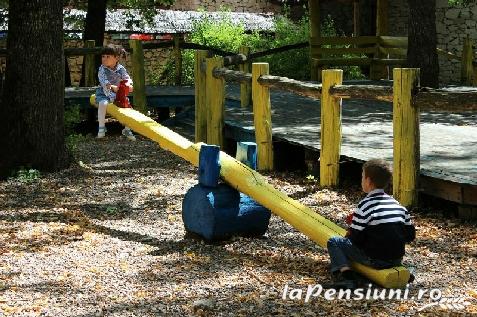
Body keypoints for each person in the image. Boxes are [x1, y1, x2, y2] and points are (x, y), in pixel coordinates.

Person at [326, 159, 416, 288]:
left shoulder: (365, 205)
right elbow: (410, 235)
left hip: (374, 259)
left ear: (368, 181)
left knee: (334, 242)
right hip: (396, 258)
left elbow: (355, 238)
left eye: (362, 177)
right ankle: (399, 267)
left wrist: (351, 232)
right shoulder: (398, 205)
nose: (361, 180)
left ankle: (346, 276)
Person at [95, 44, 136, 141]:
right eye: (103, 56)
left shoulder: (121, 69)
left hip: (118, 94)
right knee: (102, 103)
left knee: (127, 108)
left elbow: (127, 78)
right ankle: (101, 128)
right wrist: (112, 87)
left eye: (108, 56)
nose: (104, 59)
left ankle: (127, 129)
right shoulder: (102, 69)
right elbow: (103, 81)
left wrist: (129, 85)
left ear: (116, 58)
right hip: (104, 92)